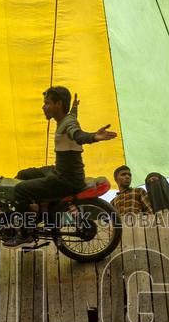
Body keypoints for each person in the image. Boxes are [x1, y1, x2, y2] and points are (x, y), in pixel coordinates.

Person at [11, 88, 117, 243]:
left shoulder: (68, 123)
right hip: (60, 171)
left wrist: (93, 136)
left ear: (58, 104)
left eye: (47, 103)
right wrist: (74, 107)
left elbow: (77, 134)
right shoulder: (65, 118)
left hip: (65, 179)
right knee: (24, 175)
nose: (43, 107)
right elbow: (72, 117)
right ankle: (40, 211)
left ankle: (26, 233)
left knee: (19, 190)